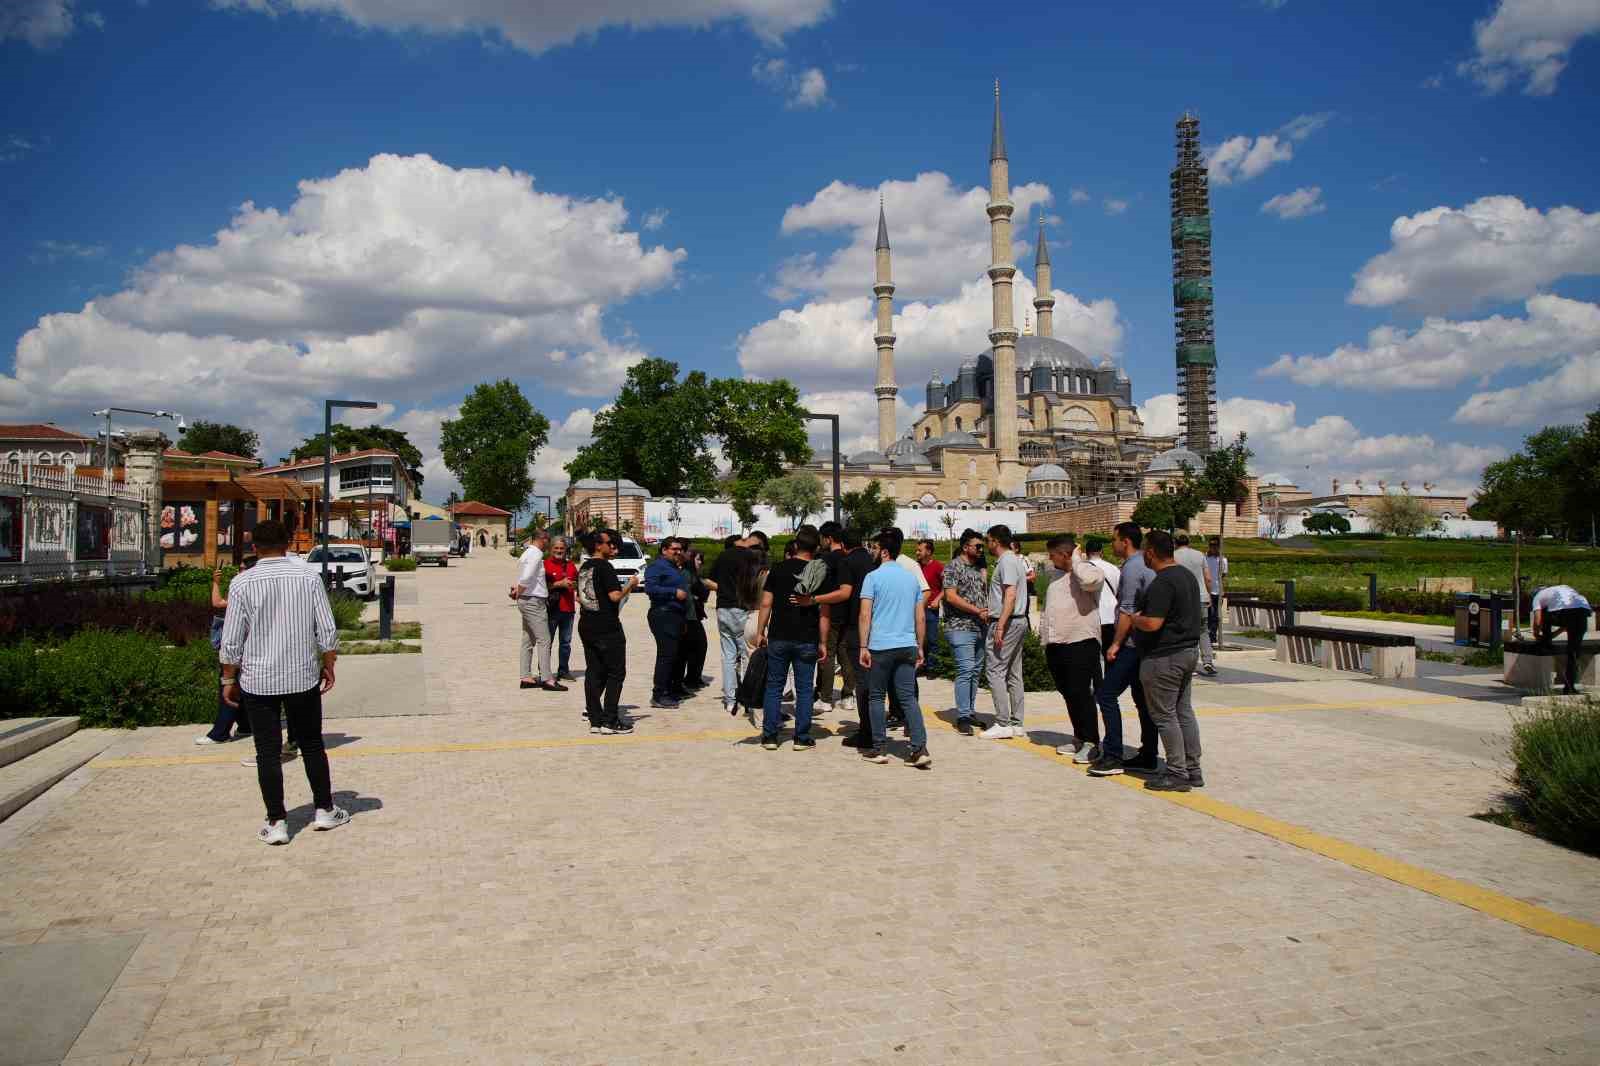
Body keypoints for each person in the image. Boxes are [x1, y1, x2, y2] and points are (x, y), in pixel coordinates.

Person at [219, 519, 349, 845]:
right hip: (302, 675)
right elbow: (327, 629)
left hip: (258, 680)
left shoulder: (241, 584)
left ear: (253, 547)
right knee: (312, 744)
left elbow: (232, 640)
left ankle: (277, 821)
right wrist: (328, 663)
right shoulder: (307, 576)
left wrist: (228, 678)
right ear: (289, 542)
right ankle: (324, 809)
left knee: (267, 752)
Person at [1130, 530, 1204, 791]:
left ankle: (1176, 772)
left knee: (1164, 715)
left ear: (1150, 552)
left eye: (1144, 552)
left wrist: (1134, 618)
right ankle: (1193, 768)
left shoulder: (1163, 582)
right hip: (1187, 652)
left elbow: (1152, 623)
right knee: (1183, 712)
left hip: (1165, 657)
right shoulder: (1186, 576)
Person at [857, 527, 932, 768]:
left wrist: (863, 645)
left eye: (877, 548)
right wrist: (920, 646)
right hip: (907, 644)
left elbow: (865, 614)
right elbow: (920, 617)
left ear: (885, 552)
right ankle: (919, 748)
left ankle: (879, 748)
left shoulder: (873, 578)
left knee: (876, 696)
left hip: (880, 646)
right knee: (908, 698)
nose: (874, 552)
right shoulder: (911, 578)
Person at [1089, 522, 1157, 777]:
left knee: (1106, 695)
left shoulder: (1132, 569)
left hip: (1131, 644)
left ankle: (1113, 754)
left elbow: (1127, 611)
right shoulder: (1144, 565)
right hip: (1145, 644)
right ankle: (1148, 754)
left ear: (1125, 541)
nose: (1112, 544)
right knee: (1142, 700)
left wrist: (1115, 644)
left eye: (1114, 540)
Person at [754, 523, 830, 750]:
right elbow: (824, 609)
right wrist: (824, 642)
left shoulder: (778, 568)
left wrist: (760, 631)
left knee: (774, 685)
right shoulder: (820, 571)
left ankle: (769, 736)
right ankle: (802, 737)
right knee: (804, 688)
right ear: (816, 547)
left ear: (795, 545)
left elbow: (766, 602)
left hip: (779, 634)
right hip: (807, 635)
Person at [1039, 534, 1106, 763]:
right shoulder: (1057, 576)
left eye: (1053, 554)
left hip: (1080, 642)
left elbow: (1090, 582)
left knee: (1081, 693)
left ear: (1066, 554)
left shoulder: (1088, 570)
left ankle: (1092, 742)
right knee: (1068, 692)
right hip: (1057, 644)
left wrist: (1077, 559)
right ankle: (1079, 736)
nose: (1050, 558)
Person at [577, 528, 639, 733]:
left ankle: (595, 719)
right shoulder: (605, 567)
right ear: (597, 545)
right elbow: (614, 597)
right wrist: (630, 584)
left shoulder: (585, 567)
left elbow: (581, 596)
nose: (613, 546)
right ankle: (610, 720)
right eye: (609, 543)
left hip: (587, 624)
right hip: (606, 626)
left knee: (594, 672)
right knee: (615, 673)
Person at [196, 558, 260, 746]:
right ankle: (246, 725)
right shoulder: (248, 589)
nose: (238, 572)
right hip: (246, 648)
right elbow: (219, 603)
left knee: (228, 687)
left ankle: (220, 732)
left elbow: (218, 604)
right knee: (240, 688)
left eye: (241, 569)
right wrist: (216, 582)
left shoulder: (246, 590)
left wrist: (216, 583)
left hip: (240, 649)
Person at [982, 524, 1030, 739]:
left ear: (995, 541)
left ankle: (1003, 722)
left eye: (988, 540)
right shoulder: (1014, 560)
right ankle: (1016, 722)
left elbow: (1009, 595)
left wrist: (1000, 624)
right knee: (1013, 672)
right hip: (1015, 620)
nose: (986, 545)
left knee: (995, 670)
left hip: (1008, 622)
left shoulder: (1008, 561)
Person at [942, 529, 990, 734]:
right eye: (977, 546)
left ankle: (969, 711)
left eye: (982, 546)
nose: (981, 549)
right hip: (960, 627)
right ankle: (962, 716)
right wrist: (977, 610)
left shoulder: (978, 568)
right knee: (965, 670)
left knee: (975, 672)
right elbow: (950, 597)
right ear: (965, 547)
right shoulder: (953, 567)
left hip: (979, 627)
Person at [810, 521, 857, 715]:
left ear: (828, 539)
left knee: (827, 653)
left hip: (828, 611)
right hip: (849, 612)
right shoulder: (850, 558)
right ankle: (848, 696)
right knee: (845, 654)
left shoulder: (825, 560)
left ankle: (826, 698)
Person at [511, 528, 563, 692]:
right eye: (548, 541)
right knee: (544, 639)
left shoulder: (526, 553)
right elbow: (526, 576)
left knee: (528, 639)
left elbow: (523, 576)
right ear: (543, 539)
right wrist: (519, 591)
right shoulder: (536, 554)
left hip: (527, 600)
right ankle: (548, 679)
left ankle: (526, 676)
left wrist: (517, 591)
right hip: (534, 601)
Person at [643, 538, 692, 708]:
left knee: (673, 655)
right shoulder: (657, 566)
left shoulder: (672, 567)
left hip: (675, 616)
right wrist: (673, 592)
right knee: (666, 655)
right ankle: (659, 694)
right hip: (663, 615)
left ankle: (668, 689)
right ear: (664, 550)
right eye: (674, 549)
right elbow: (650, 588)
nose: (678, 552)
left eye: (680, 549)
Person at [707, 534, 754, 711]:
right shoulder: (749, 556)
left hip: (723, 608)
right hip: (741, 608)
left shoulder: (723, 556)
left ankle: (730, 700)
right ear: (738, 542)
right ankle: (749, 697)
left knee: (728, 655)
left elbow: (710, 580)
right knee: (746, 653)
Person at [1532, 585, 1593, 695]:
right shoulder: (1566, 588)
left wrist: (1536, 634)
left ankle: (1546, 642)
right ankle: (1569, 687)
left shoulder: (1538, 596)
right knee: (1573, 653)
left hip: (1564, 611)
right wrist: (1558, 632)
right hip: (1583, 611)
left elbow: (1538, 620)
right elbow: (1570, 618)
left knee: (1545, 612)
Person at [1174, 533, 1218, 676]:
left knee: (1185, 632)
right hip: (1202, 598)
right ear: (1189, 541)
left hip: (1183, 600)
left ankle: (1189, 665)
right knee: (1203, 631)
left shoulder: (1173, 556)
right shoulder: (1200, 555)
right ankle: (1208, 661)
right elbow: (1208, 578)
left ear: (1175, 542)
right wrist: (1210, 594)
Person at [544, 535, 579, 682]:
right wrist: (560, 584)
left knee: (565, 643)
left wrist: (575, 588)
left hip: (568, 609)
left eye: (562, 548)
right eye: (556, 548)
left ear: (566, 550)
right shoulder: (544, 565)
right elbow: (542, 587)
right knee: (547, 642)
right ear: (551, 549)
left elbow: (577, 582)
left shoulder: (571, 565)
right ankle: (544, 671)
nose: (559, 550)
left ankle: (563, 670)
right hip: (552, 609)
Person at [677, 545, 712, 691]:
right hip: (689, 617)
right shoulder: (687, 574)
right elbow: (687, 593)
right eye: (698, 559)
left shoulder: (694, 575)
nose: (700, 563)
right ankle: (691, 679)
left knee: (698, 647)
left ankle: (693, 677)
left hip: (694, 616)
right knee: (696, 647)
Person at [1085, 535, 1122, 653]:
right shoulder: (1113, 568)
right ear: (1101, 552)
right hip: (1111, 616)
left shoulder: (1082, 570)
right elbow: (1119, 591)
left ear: (1086, 553)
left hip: (1091, 618)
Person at [915, 538, 944, 676]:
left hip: (931, 609)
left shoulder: (938, 567)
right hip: (917, 608)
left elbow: (947, 587)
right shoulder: (916, 566)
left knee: (932, 639)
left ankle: (933, 667)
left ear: (929, 551)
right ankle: (920, 665)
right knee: (918, 639)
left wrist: (938, 599)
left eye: (920, 550)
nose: (917, 552)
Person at [1205, 538, 1228, 648]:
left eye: (1215, 545)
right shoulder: (1205, 558)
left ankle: (1213, 635)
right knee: (1209, 614)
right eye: (1211, 545)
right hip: (1208, 591)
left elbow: (1223, 576)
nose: (1213, 547)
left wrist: (1223, 590)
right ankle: (1209, 633)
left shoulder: (1222, 560)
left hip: (1217, 590)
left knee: (1216, 615)